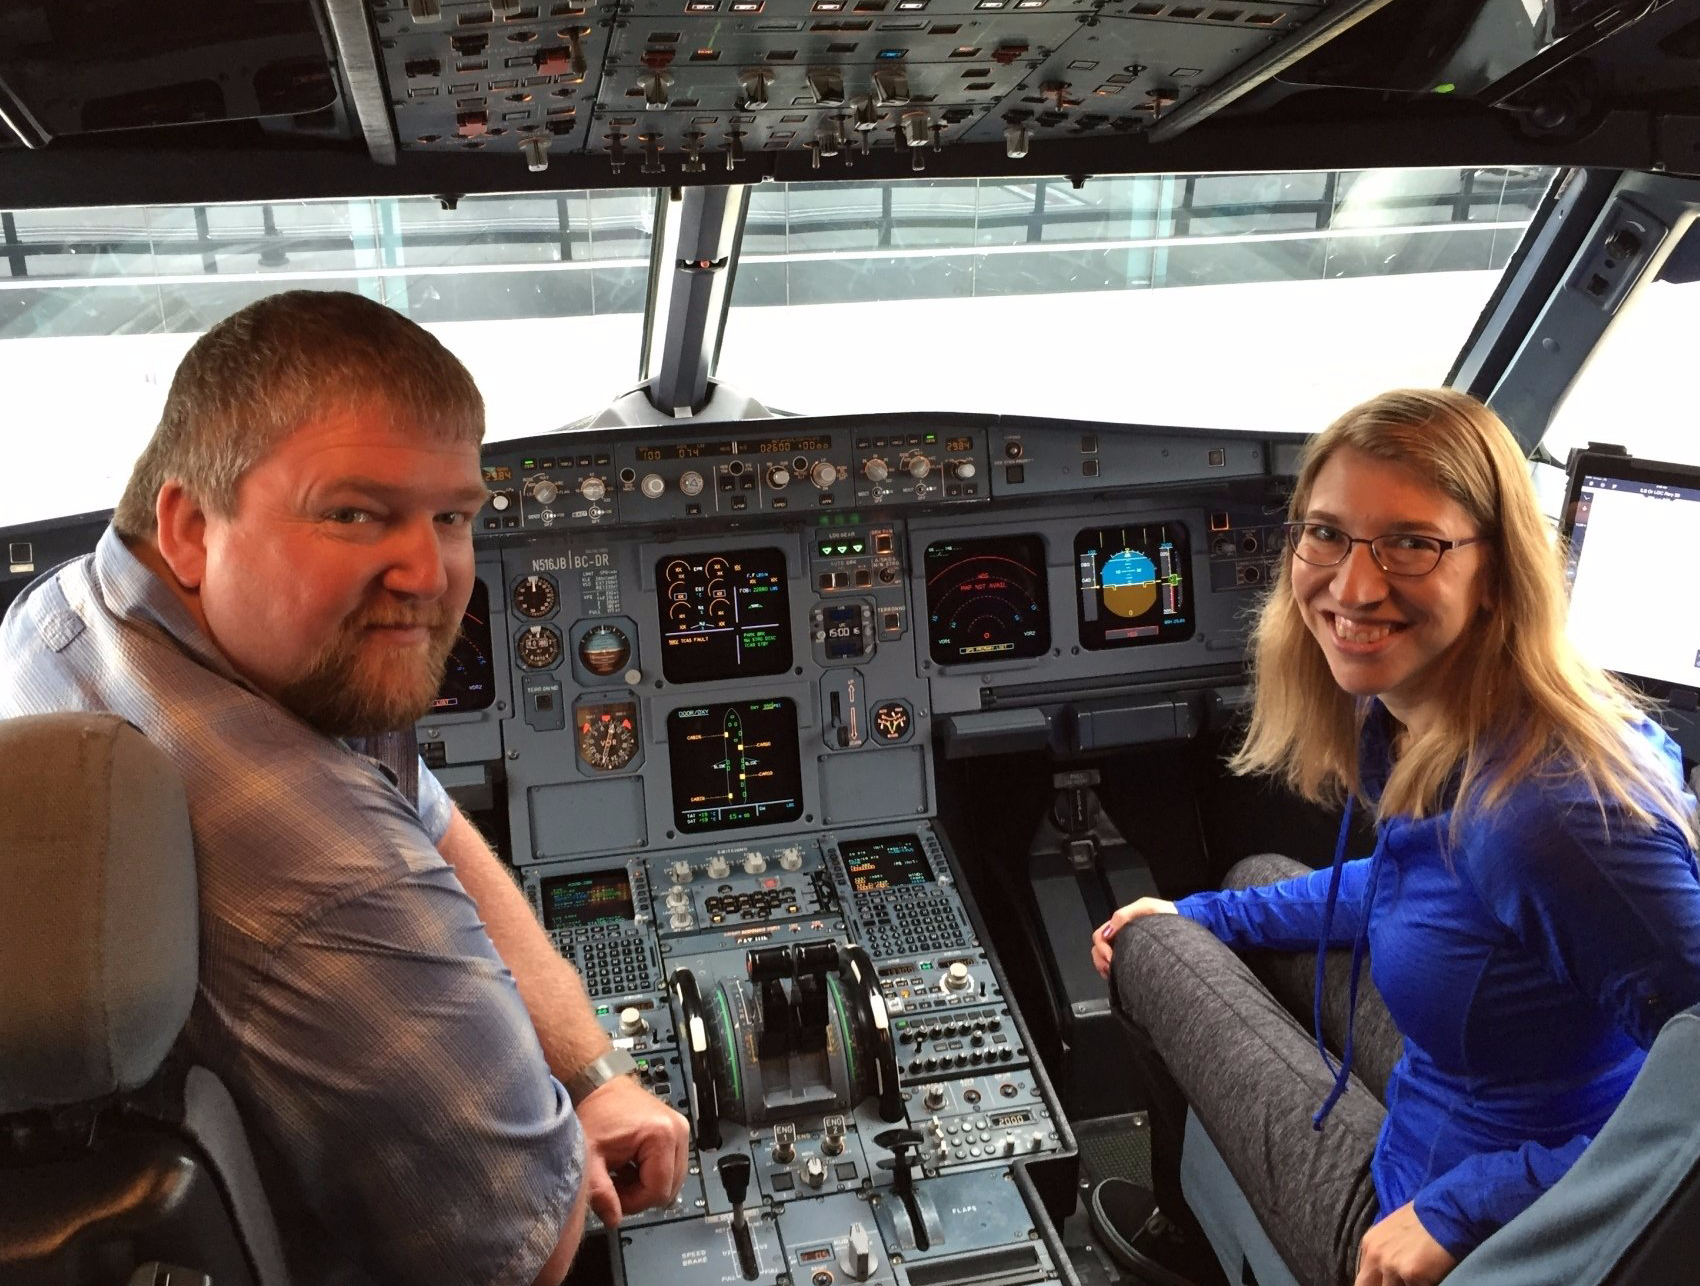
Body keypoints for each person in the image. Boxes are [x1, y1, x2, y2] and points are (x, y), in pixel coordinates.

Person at [0, 290, 690, 1285]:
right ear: (192, 525)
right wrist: (559, 1149)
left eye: (452, 514)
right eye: (354, 512)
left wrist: (588, 1068)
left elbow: (426, 811)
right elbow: (525, 1249)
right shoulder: (323, 876)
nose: (426, 571)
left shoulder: (79, 601)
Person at [1088, 389, 1700, 1286]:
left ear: (1496, 571)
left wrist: (1465, 1211)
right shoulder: (1439, 717)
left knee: (1144, 944)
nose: (1354, 585)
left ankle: (1187, 1246)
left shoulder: (1551, 814)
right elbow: (1421, 884)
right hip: (1472, 1084)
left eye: (1413, 543)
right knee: (1253, 880)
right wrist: (1211, 912)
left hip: (1449, 1228)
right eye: (1327, 534)